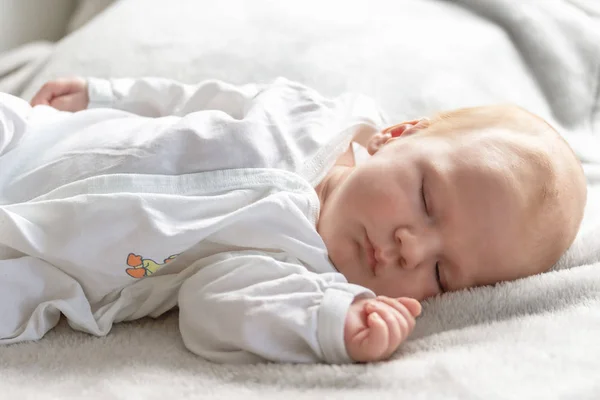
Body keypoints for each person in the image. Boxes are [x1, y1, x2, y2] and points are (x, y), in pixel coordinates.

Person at [0, 76, 586, 364]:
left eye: (441, 273)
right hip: (35, 137)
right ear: (398, 135)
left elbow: (216, 310)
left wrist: (329, 322)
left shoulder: (300, 270)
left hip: (46, 266)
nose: (412, 248)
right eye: (428, 201)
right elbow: (202, 98)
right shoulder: (312, 115)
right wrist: (107, 93)